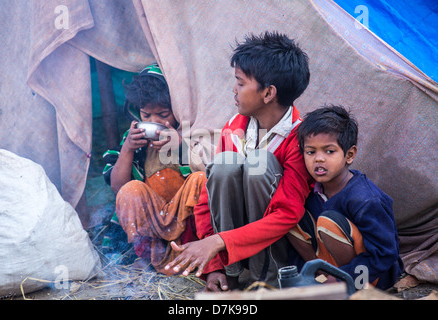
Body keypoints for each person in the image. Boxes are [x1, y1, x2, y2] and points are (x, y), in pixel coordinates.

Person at [164, 31, 314, 290]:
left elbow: (287, 215)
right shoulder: (235, 127)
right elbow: (206, 201)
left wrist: (218, 241)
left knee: (260, 164)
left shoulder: (299, 140)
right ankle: (230, 276)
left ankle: (264, 281)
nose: (233, 89)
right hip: (231, 250)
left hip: (278, 253)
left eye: (240, 83)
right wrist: (214, 266)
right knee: (224, 165)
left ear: (268, 93)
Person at [102, 63, 206, 273]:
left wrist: (180, 146)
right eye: (146, 115)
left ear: (177, 110)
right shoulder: (132, 142)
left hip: (186, 219)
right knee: (131, 191)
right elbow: (118, 187)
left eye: (163, 114)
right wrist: (128, 149)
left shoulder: (190, 133)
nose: (154, 121)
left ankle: (189, 252)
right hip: (152, 221)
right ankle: (148, 256)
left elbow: (207, 170)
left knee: (200, 180)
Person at [292, 104, 403, 289]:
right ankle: (314, 276)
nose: (318, 159)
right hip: (330, 264)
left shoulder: (366, 199)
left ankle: (345, 286)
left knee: (329, 222)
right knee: (290, 213)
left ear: (349, 155)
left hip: (370, 274)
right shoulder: (312, 192)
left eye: (329, 151)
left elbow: (385, 253)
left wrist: (343, 278)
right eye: (311, 152)